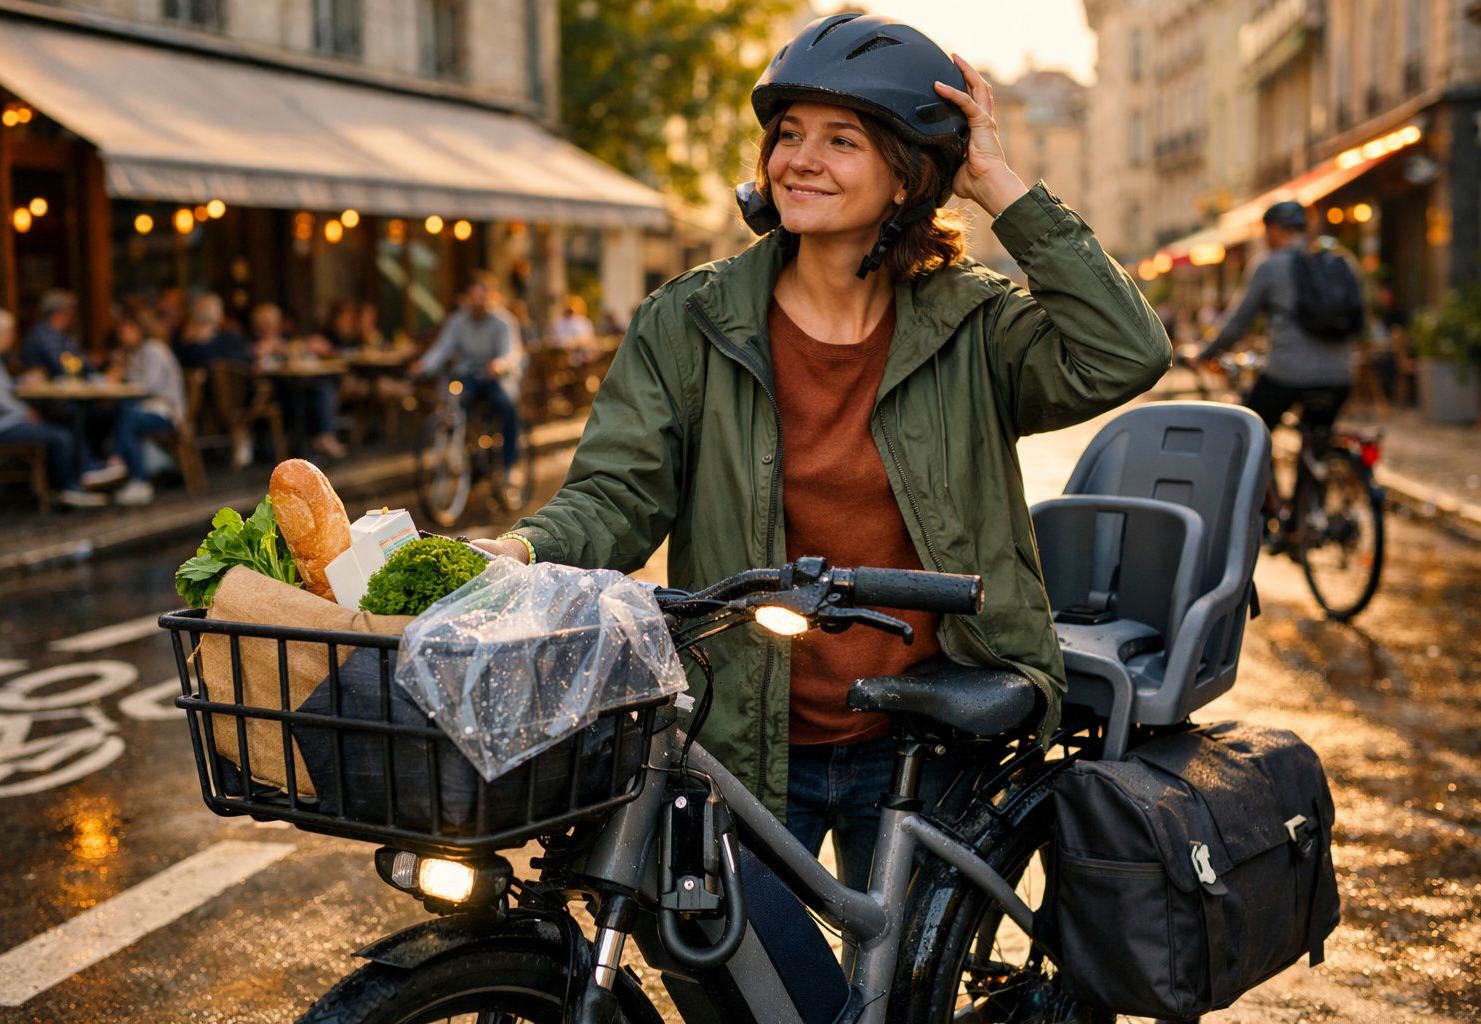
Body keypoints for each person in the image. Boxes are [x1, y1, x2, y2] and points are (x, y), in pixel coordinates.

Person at [469, 14, 1171, 890]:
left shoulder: (976, 325)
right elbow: (616, 493)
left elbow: (1126, 352)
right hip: (746, 732)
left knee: (899, 995)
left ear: (909, 175)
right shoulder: (688, 323)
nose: (800, 159)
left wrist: (997, 184)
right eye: (788, 134)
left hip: (926, 730)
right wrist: (523, 550)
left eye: (842, 140)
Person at [1191, 200, 1356, 432]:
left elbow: (1237, 324)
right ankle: (1319, 462)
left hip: (1287, 374)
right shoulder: (1340, 261)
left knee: (1249, 432)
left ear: (1275, 229)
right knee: (1317, 439)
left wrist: (1203, 353)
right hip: (1340, 374)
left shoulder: (1269, 266)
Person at [0, 307, 106, 508]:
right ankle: (71, 487)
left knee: (61, 422)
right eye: (8, 332)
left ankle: (79, 476)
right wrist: (22, 411)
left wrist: (19, 382)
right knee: (61, 435)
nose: (12, 337)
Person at [413, 273, 525, 478]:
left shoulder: (503, 322)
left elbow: (511, 351)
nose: (477, 303)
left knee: (506, 406)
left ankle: (510, 465)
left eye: (481, 298)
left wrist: (500, 364)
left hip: (494, 377)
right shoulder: (457, 321)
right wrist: (424, 364)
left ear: (491, 297)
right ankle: (470, 454)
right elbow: (442, 347)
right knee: (455, 403)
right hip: (468, 376)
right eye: (473, 298)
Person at [108, 310, 187, 506]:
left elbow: (150, 386)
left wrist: (124, 376)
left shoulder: (154, 349)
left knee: (127, 416)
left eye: (126, 330)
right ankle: (120, 464)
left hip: (164, 411)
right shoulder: (135, 352)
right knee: (117, 413)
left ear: (140, 329)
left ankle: (135, 476)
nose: (122, 336)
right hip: (145, 408)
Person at [249, 302, 346, 459]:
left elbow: (299, 350)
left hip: (291, 385)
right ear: (257, 325)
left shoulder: (285, 340)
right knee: (311, 392)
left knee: (321, 388)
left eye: (273, 322)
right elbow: (254, 366)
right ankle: (311, 442)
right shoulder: (254, 344)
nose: (270, 326)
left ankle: (322, 438)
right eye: (265, 322)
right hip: (269, 393)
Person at [21, 289, 89, 379]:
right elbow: (62, 365)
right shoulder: (44, 335)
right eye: (70, 312)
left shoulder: (61, 334)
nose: (73, 316)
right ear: (58, 313)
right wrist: (87, 362)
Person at [175, 293, 251, 370]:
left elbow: (243, 358)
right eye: (203, 308)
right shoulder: (185, 339)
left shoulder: (230, 336)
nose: (205, 313)